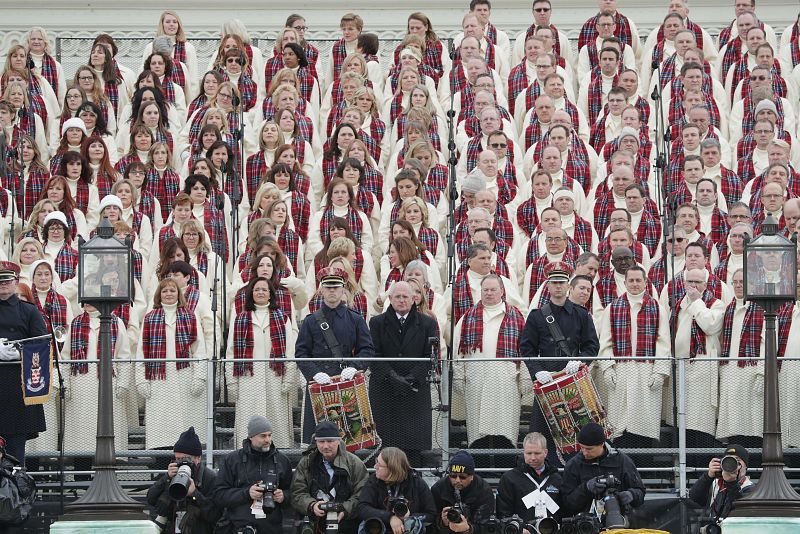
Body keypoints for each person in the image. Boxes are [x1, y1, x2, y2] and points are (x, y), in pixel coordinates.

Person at [521, 265, 599, 465]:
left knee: (576, 427)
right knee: (541, 429)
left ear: (568, 286)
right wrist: (537, 372)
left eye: (561, 283)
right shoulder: (537, 316)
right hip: (547, 381)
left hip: (572, 380)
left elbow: (592, 346)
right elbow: (527, 349)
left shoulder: (582, 315)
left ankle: (576, 468)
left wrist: (580, 360)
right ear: (548, 286)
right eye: (554, 283)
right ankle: (543, 469)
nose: (558, 287)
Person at [295, 267, 374, 442]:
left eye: (336, 287)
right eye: (328, 287)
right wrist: (314, 373)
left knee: (349, 437)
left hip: (346, 382)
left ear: (343, 289)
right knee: (317, 439)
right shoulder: (310, 321)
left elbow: (367, 350)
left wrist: (355, 368)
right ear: (321, 289)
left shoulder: (355, 319)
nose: (332, 290)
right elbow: (301, 354)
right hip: (319, 383)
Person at [368, 281, 439, 466]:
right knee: (386, 446)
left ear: (414, 299)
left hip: (414, 393)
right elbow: (374, 354)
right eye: (397, 297)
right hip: (385, 391)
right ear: (390, 299)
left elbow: (430, 356)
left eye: (405, 296)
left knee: (413, 448)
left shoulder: (427, 323)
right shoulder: (376, 323)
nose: (401, 300)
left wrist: (410, 378)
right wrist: (392, 377)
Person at [0, 261, 47, 464]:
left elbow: (42, 343)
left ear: (15, 282)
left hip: (16, 385)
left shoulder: (29, 311)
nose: (3, 284)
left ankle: (15, 490)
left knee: (15, 446)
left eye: (7, 280)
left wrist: (20, 352)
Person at [213, 415, 293, 534]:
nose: (268, 440)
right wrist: (246, 493)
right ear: (251, 437)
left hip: (271, 528)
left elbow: (294, 493)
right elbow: (219, 495)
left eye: (269, 435)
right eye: (263, 436)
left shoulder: (282, 460)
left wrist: (283, 496)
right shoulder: (232, 460)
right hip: (238, 527)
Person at [290, 420, 369, 534]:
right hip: (314, 523)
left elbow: (362, 495)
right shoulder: (306, 463)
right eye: (321, 441)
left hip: (346, 524)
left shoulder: (354, 463)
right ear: (316, 442)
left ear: (338, 441)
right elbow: (297, 492)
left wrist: (345, 510)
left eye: (330, 441)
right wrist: (312, 505)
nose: (325, 446)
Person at [560, 423, 646, 521]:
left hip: (618, 521)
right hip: (584, 524)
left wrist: (631, 495)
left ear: (602, 444)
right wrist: (586, 488)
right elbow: (567, 504)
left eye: (589, 449)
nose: (584, 452)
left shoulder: (622, 461)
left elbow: (640, 493)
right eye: (581, 447)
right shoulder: (573, 465)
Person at [146, 427, 221, 534]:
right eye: (178, 459)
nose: (181, 462)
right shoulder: (172, 474)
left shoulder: (209, 478)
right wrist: (166, 478)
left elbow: (215, 515)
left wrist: (195, 494)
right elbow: (150, 499)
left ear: (198, 458)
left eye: (186, 458)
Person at [357, 447, 436, 534]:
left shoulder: (416, 482)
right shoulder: (374, 480)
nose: (375, 466)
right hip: (382, 528)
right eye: (376, 461)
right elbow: (362, 508)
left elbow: (431, 514)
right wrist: (390, 517)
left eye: (379, 464)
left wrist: (409, 517)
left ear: (392, 469)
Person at [496, 432, 563, 529]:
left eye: (537, 453)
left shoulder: (556, 479)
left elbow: (563, 512)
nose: (533, 458)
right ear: (523, 452)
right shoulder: (509, 478)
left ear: (545, 452)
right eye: (529, 453)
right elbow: (503, 514)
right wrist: (519, 529)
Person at [688, 444, 755, 530]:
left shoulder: (750, 489)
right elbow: (695, 498)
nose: (732, 464)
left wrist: (731, 482)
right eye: (728, 460)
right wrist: (708, 476)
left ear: (745, 466)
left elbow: (739, 511)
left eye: (737, 460)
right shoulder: (715, 484)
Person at [431, 450, 495, 534]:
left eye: (462, 477)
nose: (457, 480)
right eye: (453, 476)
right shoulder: (439, 488)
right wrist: (442, 522)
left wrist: (469, 529)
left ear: (472, 476)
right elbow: (431, 521)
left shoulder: (483, 491)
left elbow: (487, 526)